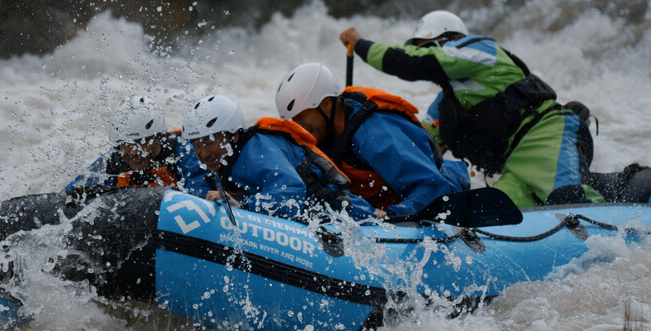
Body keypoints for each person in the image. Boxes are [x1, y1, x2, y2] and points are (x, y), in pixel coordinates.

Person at [337, 10, 651, 207]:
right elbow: (418, 141)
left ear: (448, 41)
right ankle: (625, 186)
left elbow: (416, 62)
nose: (419, 51)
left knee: (567, 202)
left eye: (422, 45)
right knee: (495, 213)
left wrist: (361, 45)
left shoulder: (479, 51)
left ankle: (635, 191)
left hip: (547, 136)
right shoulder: (447, 103)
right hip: (515, 165)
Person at [275, 62, 470, 217]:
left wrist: (391, 215)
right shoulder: (323, 132)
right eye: (293, 120)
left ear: (326, 105)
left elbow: (432, 187)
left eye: (301, 117)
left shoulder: (374, 134)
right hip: (387, 205)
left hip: (439, 200)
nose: (298, 126)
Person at [182, 93, 383, 220]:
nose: (203, 154)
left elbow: (291, 195)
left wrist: (241, 202)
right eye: (196, 145)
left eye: (209, 142)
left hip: (340, 209)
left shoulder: (256, 152)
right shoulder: (223, 158)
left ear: (233, 135)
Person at [64, 96, 210, 196]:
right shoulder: (112, 162)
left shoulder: (183, 150)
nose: (133, 152)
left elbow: (200, 191)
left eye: (141, 141)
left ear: (159, 137)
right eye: (126, 144)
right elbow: (70, 193)